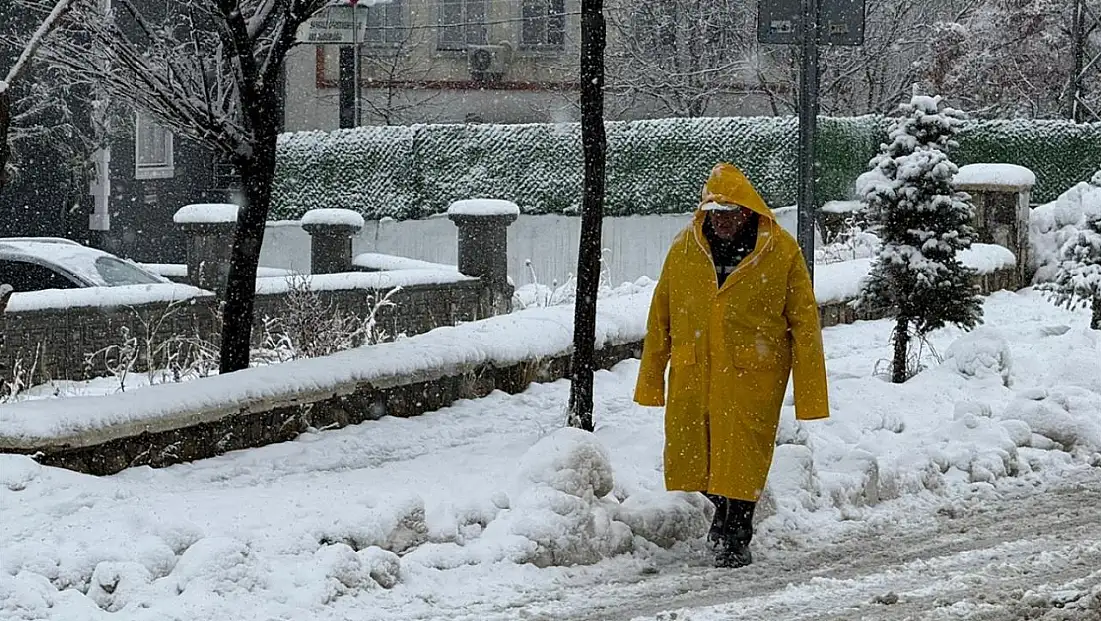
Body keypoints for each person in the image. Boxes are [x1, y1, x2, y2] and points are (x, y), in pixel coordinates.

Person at [634, 163, 830, 568]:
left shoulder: (780, 251)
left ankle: (735, 534)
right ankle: (721, 518)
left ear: (747, 211)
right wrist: (651, 380)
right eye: (715, 214)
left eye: (729, 213)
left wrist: (810, 393)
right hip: (696, 373)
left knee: (742, 459)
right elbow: (660, 318)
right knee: (700, 457)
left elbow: (805, 324)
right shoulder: (684, 249)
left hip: (752, 376)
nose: (721, 222)